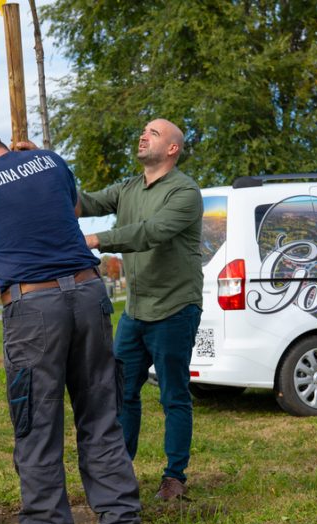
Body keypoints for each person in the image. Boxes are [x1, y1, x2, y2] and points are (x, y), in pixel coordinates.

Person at [0, 134, 141, 524]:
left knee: (37, 425)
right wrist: (37, 157)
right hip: (89, 292)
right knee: (100, 412)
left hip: (33, 307)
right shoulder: (49, 161)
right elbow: (70, 208)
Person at [77, 119, 204, 501]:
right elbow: (85, 201)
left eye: (154, 132)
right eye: (143, 131)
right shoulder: (129, 188)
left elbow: (151, 232)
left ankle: (174, 477)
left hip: (175, 308)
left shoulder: (185, 192)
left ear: (172, 149)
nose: (143, 135)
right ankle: (121, 471)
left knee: (173, 395)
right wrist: (45, 169)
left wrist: (98, 239)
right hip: (136, 311)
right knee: (122, 394)